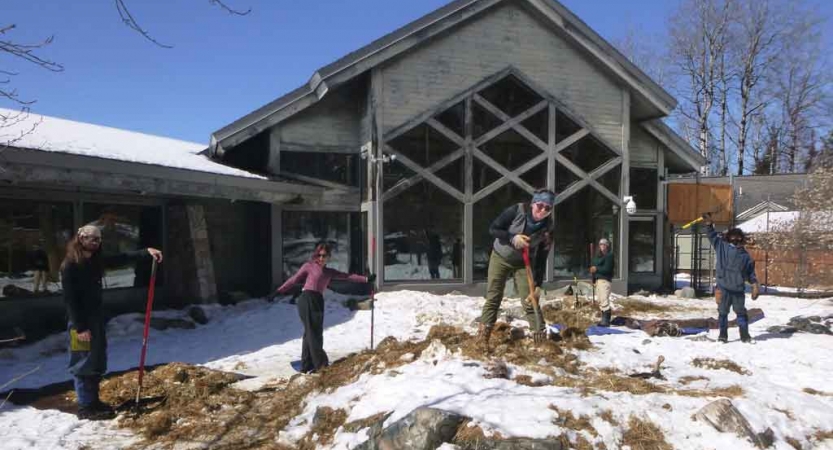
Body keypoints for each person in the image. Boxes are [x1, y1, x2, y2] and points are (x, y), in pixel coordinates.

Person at [61, 224, 162, 420]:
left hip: (96, 320)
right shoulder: (70, 265)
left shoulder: (95, 261)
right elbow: (70, 300)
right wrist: (80, 327)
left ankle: (94, 401)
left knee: (97, 361)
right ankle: (85, 408)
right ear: (80, 238)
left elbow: (120, 259)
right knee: (82, 363)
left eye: (98, 239)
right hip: (79, 324)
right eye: (90, 238)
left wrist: (146, 252)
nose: (94, 242)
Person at [274, 243, 374, 373]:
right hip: (307, 298)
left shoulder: (329, 272)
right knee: (313, 333)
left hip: (318, 300)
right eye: (319, 255)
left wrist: (366, 279)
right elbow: (294, 279)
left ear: (328, 257)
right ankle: (320, 365)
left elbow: (348, 276)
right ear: (316, 255)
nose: (321, 258)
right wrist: (279, 291)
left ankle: (307, 363)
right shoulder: (308, 266)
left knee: (311, 332)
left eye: (324, 256)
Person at [478, 188, 555, 346]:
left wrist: (538, 284)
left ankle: (540, 339)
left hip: (523, 263)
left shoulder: (548, 227)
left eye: (548, 208)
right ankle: (482, 338)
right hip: (501, 257)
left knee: (530, 299)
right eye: (540, 205)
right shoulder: (516, 210)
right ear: (533, 203)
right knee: (494, 297)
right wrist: (512, 238)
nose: (543, 210)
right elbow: (494, 228)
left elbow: (542, 257)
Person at [704, 213, 760, 343]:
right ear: (728, 239)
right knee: (723, 314)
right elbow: (712, 236)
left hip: (738, 291)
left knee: (741, 314)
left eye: (738, 239)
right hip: (723, 289)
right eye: (733, 238)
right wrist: (708, 225)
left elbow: (751, 273)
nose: (736, 241)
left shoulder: (746, 257)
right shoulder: (721, 247)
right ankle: (723, 336)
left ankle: (745, 336)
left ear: (742, 240)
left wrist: (755, 284)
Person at [589, 238, 614, 326]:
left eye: (604, 244)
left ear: (607, 246)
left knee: (604, 299)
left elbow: (607, 269)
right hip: (598, 280)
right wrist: (593, 279)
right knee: (600, 300)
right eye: (601, 244)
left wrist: (596, 268)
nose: (602, 246)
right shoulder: (598, 257)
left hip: (605, 280)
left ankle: (606, 320)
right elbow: (593, 267)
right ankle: (603, 319)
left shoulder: (609, 256)